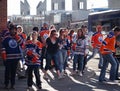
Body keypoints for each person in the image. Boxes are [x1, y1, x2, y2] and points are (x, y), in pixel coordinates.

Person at [1, 24, 23, 89]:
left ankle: (12, 84)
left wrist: (16, 36)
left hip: (16, 58)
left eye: (14, 30)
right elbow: (3, 47)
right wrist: (4, 56)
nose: (13, 31)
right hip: (8, 58)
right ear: (10, 30)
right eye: (12, 30)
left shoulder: (18, 37)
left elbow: (21, 43)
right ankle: (6, 84)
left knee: (13, 72)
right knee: (7, 72)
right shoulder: (6, 38)